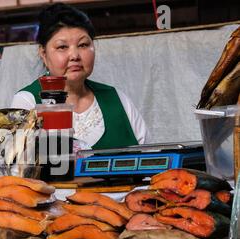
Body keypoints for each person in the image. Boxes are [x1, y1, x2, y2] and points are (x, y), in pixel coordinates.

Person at [11, 2, 148, 150]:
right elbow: (18, 169)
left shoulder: (117, 99)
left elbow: (151, 165)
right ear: (43, 54)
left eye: (83, 45)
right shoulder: (27, 102)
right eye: (62, 47)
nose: (75, 56)